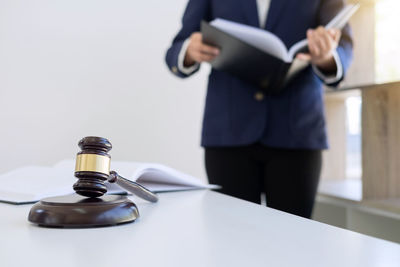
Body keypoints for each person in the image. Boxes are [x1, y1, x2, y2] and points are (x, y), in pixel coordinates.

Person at [165, 0, 353, 218]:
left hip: (297, 131)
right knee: (232, 240)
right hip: (228, 132)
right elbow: (176, 49)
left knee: (293, 241)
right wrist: (189, 50)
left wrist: (328, 57)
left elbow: (344, 47)